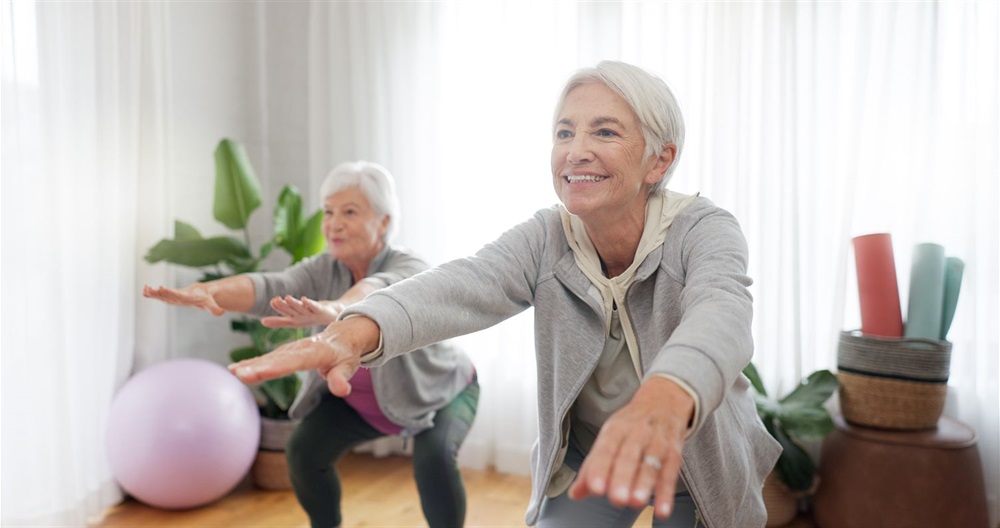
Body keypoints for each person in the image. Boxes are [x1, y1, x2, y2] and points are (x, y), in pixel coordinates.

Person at [229, 61, 781, 528]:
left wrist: (665, 396)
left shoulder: (702, 229)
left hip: (692, 448)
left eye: (605, 133)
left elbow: (722, 313)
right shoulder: (547, 237)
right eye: (565, 133)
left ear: (658, 160)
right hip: (592, 449)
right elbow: (464, 283)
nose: (576, 151)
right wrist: (354, 331)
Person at [144, 161, 479, 528]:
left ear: (383, 221)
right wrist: (210, 291)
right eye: (328, 212)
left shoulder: (411, 265)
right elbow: (270, 286)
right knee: (304, 450)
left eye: (349, 212)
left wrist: (335, 308)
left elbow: (376, 290)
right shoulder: (323, 269)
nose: (333, 223)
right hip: (363, 403)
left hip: (442, 392)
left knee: (433, 461)